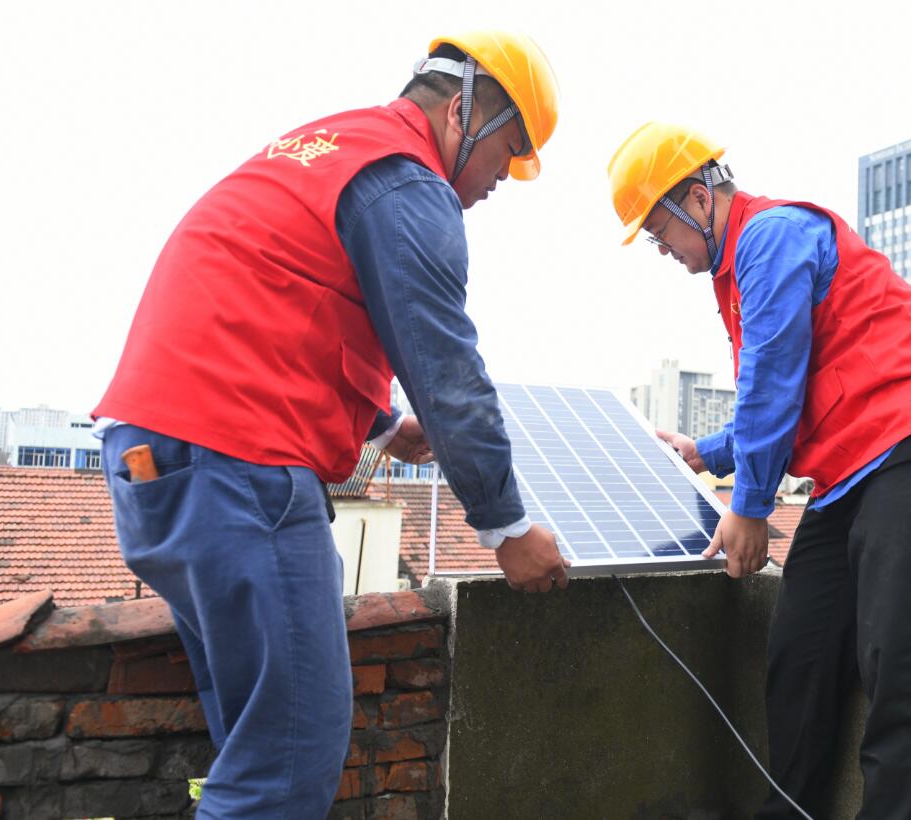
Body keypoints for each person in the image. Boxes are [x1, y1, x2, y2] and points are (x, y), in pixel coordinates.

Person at [92, 31, 567, 817]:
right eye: (508, 152)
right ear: (461, 113)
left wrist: (380, 426)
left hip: (155, 458)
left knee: (253, 748)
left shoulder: (331, 147)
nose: (500, 181)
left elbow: (274, 299)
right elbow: (446, 370)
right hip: (238, 464)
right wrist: (506, 527)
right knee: (286, 764)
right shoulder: (404, 181)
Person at [607, 123, 911, 819]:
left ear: (697, 198)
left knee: (898, 664)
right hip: (851, 471)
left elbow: (771, 379)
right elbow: (789, 391)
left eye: (658, 233)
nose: (662, 251)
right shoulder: (737, 268)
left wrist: (750, 507)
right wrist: (706, 453)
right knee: (801, 654)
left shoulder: (770, 235)